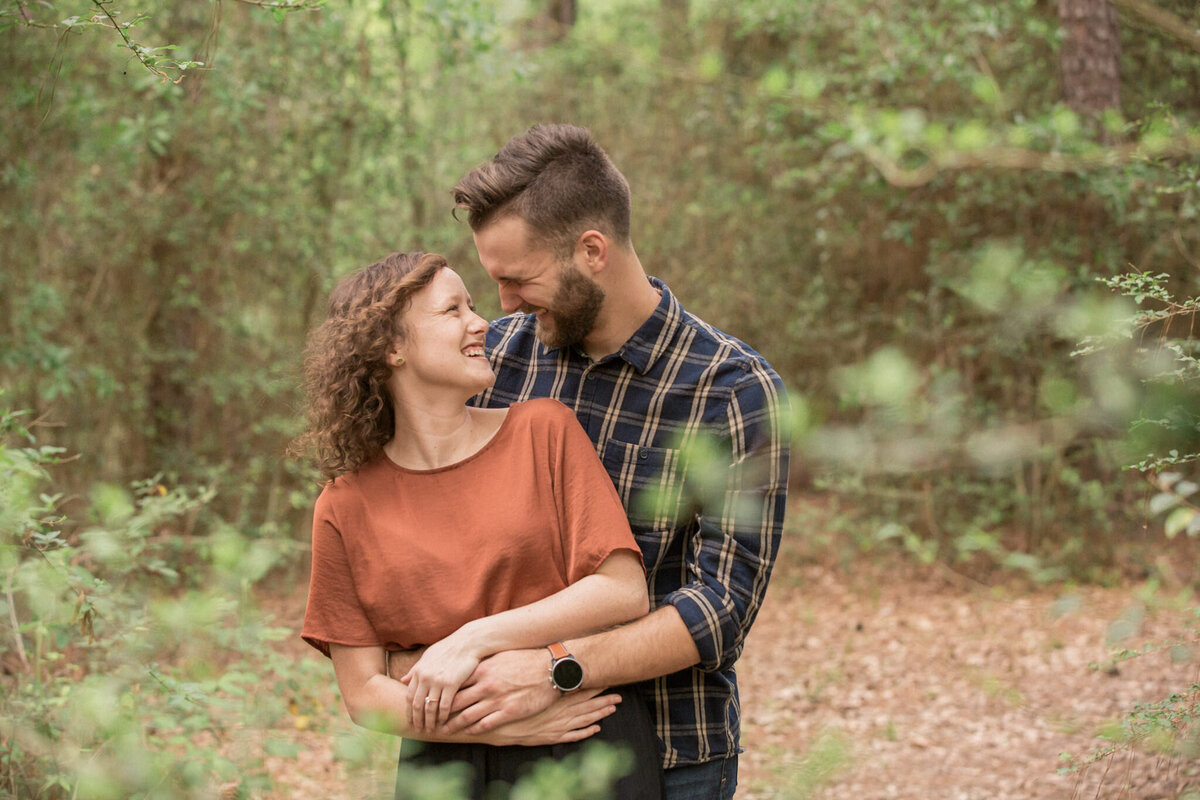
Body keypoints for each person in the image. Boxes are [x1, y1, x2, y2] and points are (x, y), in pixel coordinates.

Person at [390, 124, 791, 800]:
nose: (506, 304)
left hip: (671, 754)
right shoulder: (498, 366)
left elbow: (720, 607)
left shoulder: (733, 392)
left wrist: (554, 670)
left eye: (518, 279)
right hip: (495, 751)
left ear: (592, 251)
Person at [297, 251, 665, 799]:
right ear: (391, 348)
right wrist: (500, 729)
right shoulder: (344, 504)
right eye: (452, 310)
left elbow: (623, 591)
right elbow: (364, 696)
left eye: (472, 306)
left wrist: (469, 641)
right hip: (445, 764)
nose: (481, 323)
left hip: (582, 739)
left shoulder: (545, 431)